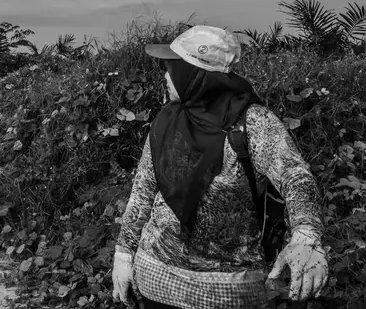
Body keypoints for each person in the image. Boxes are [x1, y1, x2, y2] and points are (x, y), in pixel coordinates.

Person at [110, 25, 329, 309]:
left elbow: (295, 176)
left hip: (228, 293)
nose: (165, 76)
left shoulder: (251, 123)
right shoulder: (167, 120)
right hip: (157, 282)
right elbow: (143, 191)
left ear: (193, 74)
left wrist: (306, 235)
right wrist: (124, 254)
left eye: (172, 68)